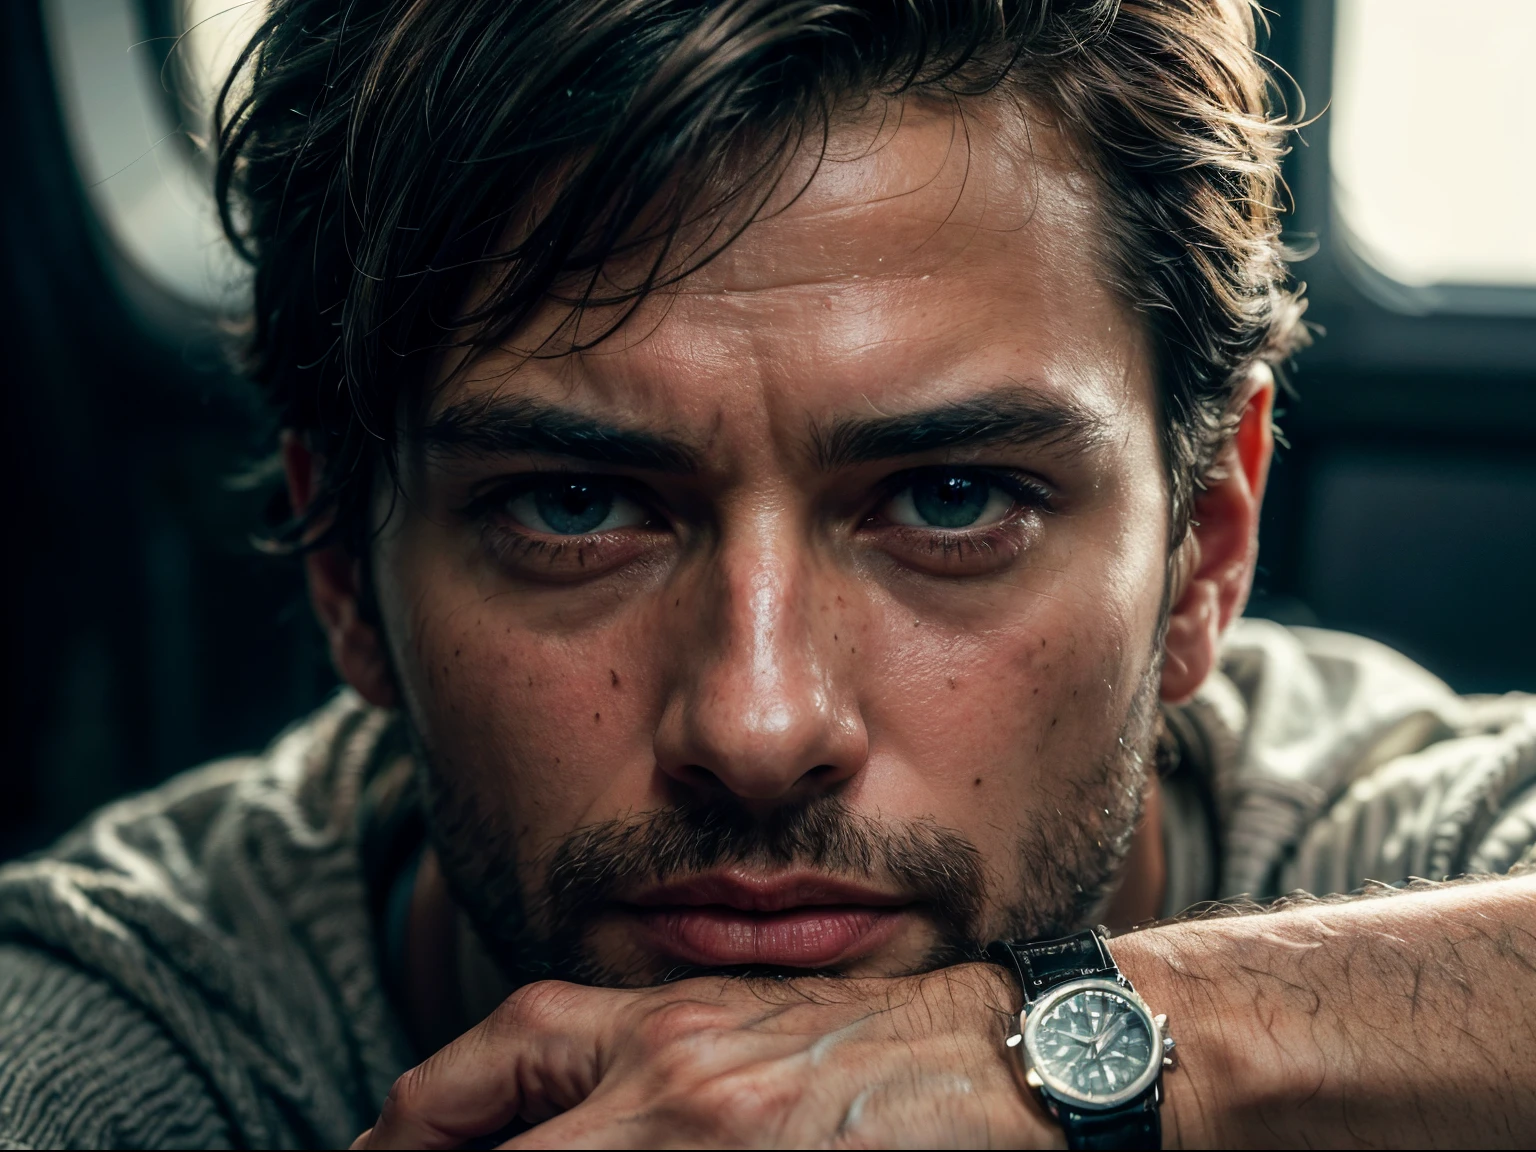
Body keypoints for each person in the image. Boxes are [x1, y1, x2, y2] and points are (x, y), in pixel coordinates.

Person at [2, 0, 1533, 1147]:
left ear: (1204, 548)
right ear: (345, 561)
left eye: (948, 500)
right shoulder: (139, 1032)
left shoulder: (1396, 846)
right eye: (578, 506)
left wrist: (1089, 1052)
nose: (756, 724)